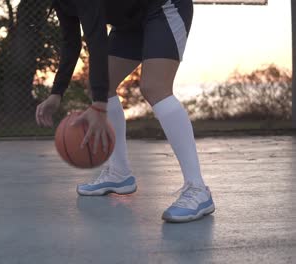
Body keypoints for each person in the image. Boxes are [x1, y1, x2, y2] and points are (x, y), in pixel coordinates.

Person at [35, 0, 215, 223]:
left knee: (154, 87)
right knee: (101, 84)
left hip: (163, 7)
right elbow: (71, 42)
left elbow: (96, 40)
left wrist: (99, 106)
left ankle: (197, 189)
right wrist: (57, 93)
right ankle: (120, 173)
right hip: (131, 21)